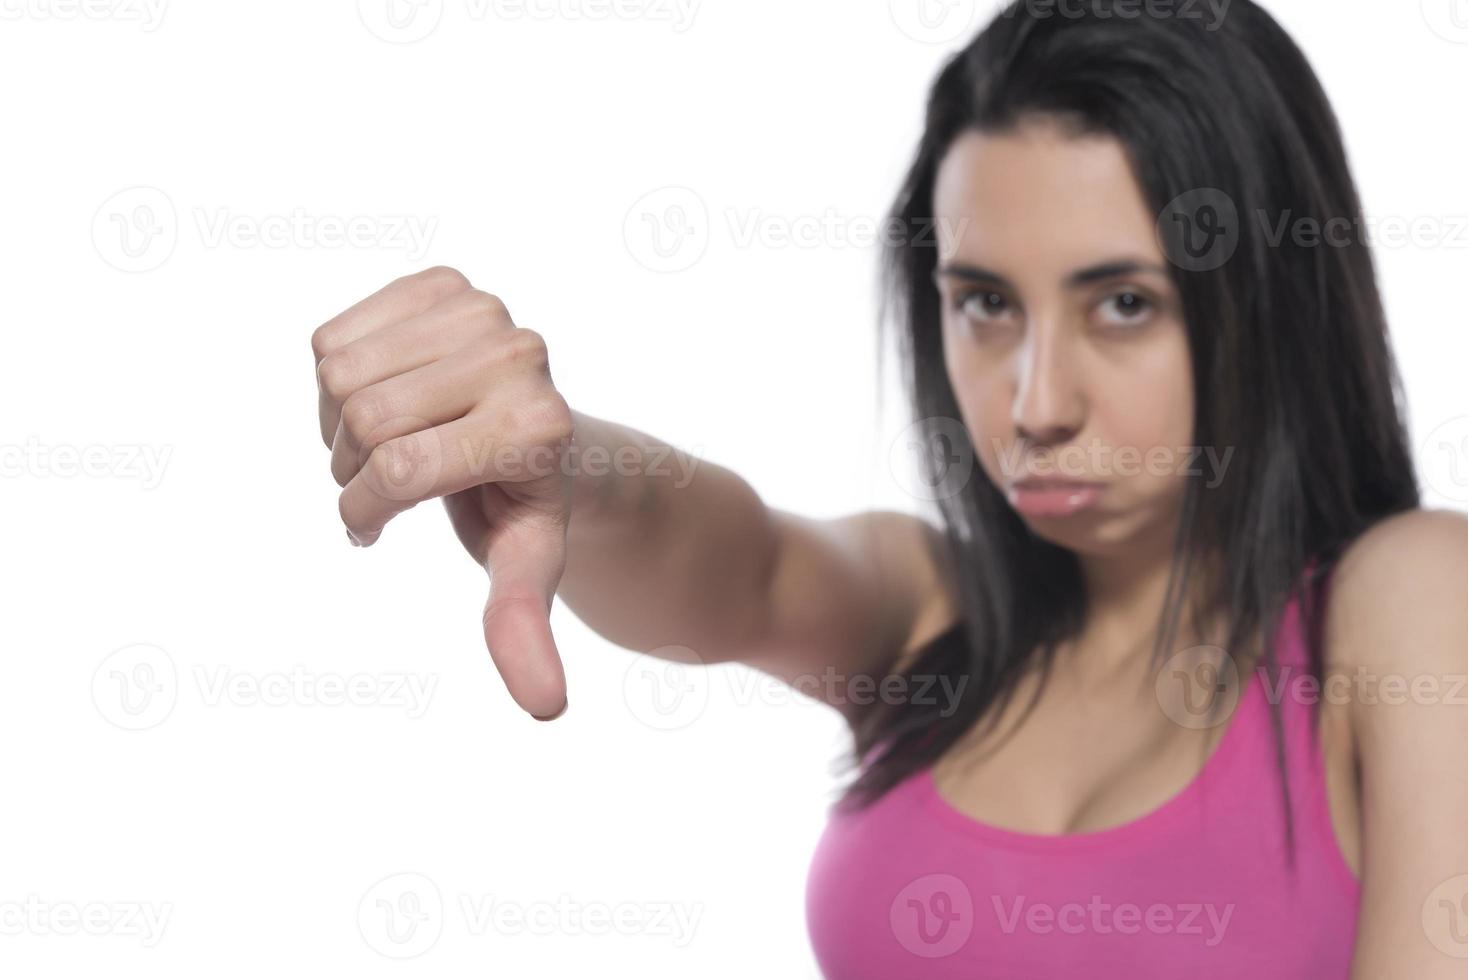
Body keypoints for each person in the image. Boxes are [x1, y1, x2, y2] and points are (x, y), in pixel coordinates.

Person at [309, 2, 1468, 974]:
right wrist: (562, 461)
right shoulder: (934, 616)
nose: (1034, 403)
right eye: (985, 302)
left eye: (1123, 302)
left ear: (1271, 298)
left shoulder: (1407, 600)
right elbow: (736, 559)